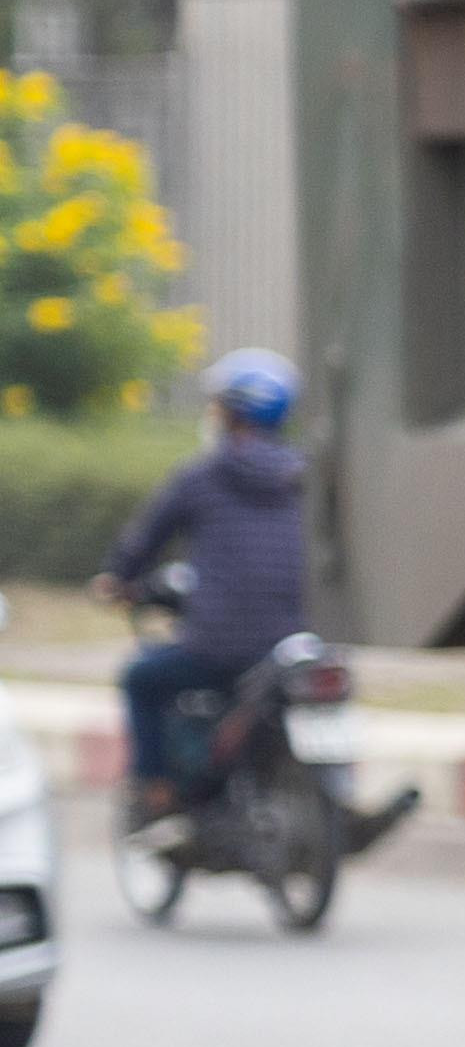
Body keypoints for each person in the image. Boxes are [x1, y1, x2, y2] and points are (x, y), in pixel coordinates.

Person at [91, 348, 311, 825]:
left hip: (218, 645)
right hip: (294, 642)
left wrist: (116, 579)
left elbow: (145, 539)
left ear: (231, 414)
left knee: (141, 678)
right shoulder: (302, 476)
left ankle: (158, 790)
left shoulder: (203, 476)